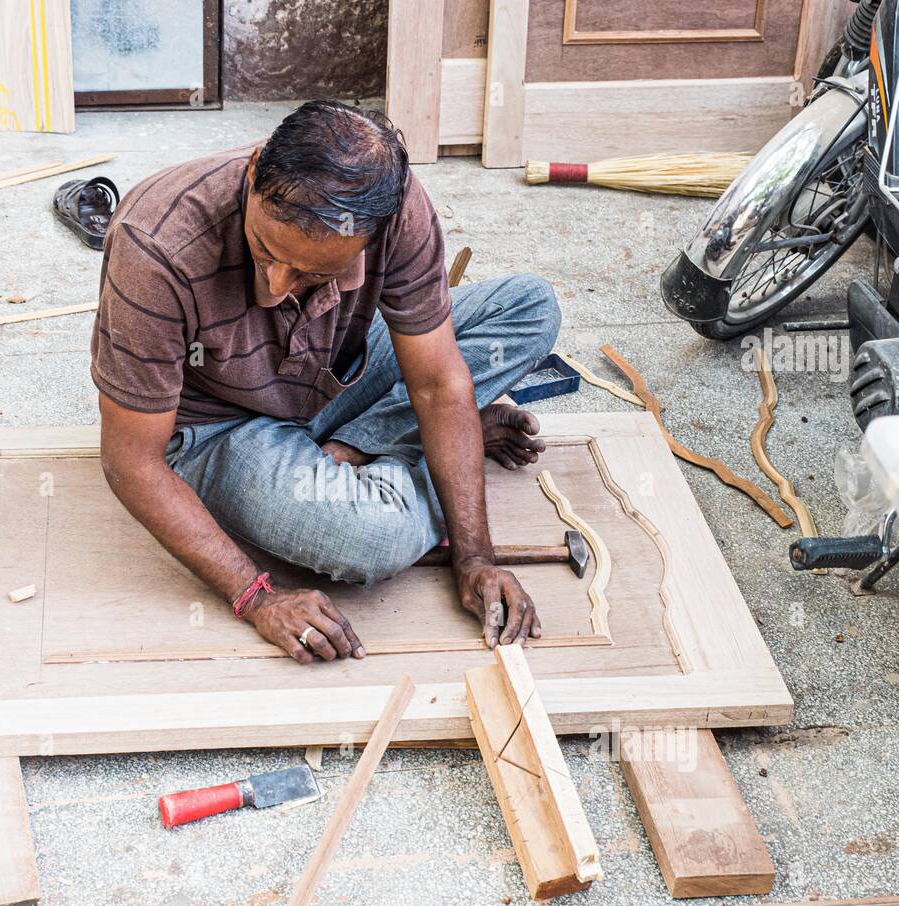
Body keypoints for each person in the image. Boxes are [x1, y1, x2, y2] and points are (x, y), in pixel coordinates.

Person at [92, 101, 561, 664]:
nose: (274, 287)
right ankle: (416, 445)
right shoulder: (156, 245)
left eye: (316, 273)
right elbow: (131, 462)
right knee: (374, 538)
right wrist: (256, 598)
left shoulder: (397, 206)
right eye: (265, 250)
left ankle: (364, 446)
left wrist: (476, 557)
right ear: (254, 171)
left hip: (332, 373)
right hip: (220, 427)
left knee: (530, 307)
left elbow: (437, 382)